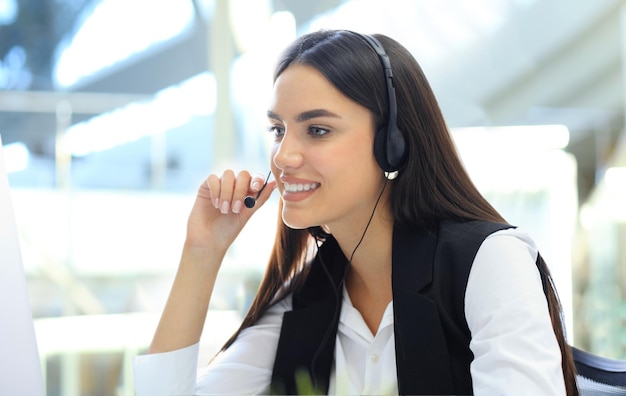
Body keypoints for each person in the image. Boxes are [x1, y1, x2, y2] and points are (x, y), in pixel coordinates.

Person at [133, 29, 578, 395]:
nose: (283, 156)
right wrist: (201, 253)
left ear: (393, 142)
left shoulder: (490, 263)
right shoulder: (309, 299)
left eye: (318, 130)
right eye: (277, 130)